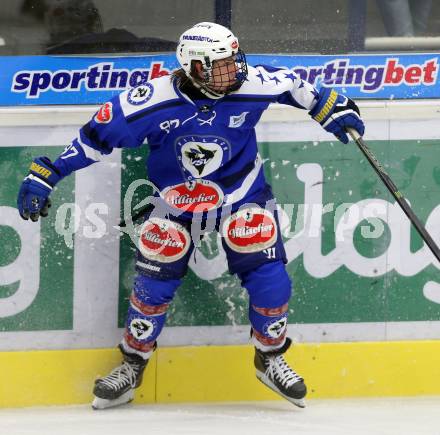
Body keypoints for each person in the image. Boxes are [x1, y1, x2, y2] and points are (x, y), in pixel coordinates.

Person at [17, 22, 365, 410]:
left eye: (234, 59)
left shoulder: (252, 82)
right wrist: (47, 174)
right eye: (220, 65)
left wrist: (330, 106)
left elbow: (297, 86)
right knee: (152, 287)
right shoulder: (149, 101)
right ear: (196, 67)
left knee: (271, 280)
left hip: (241, 194)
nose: (233, 70)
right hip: (174, 202)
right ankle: (132, 364)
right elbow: (93, 138)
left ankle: (269, 356)